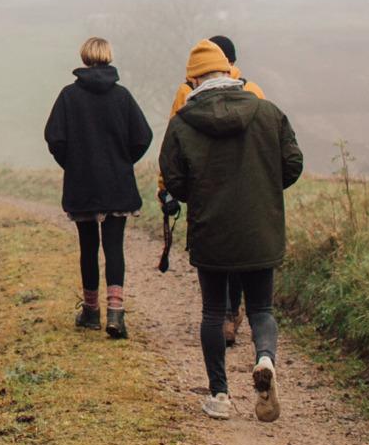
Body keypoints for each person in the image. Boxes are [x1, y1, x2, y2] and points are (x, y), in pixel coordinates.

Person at [159, 38, 303, 423]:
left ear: (194, 79)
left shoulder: (182, 123)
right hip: (261, 228)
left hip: (212, 230)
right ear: (229, 71)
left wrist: (201, 198)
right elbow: (292, 164)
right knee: (260, 308)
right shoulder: (268, 112)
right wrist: (264, 192)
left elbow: (173, 179)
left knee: (212, 311)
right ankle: (265, 359)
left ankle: (220, 395)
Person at [42, 37, 153, 339]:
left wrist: (73, 164)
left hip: (83, 184)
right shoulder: (123, 97)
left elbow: (55, 138)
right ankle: (116, 313)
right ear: (108, 57)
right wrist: (122, 161)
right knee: (114, 247)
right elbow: (143, 136)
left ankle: (91, 312)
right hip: (117, 184)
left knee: (88, 248)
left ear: (84, 57)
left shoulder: (68, 97)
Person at [163, 35, 266, 350]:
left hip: (206, 191)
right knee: (240, 257)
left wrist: (169, 189)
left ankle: (223, 317)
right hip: (249, 191)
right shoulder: (253, 93)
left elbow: (172, 149)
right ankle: (235, 316)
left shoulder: (187, 93)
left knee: (215, 257)